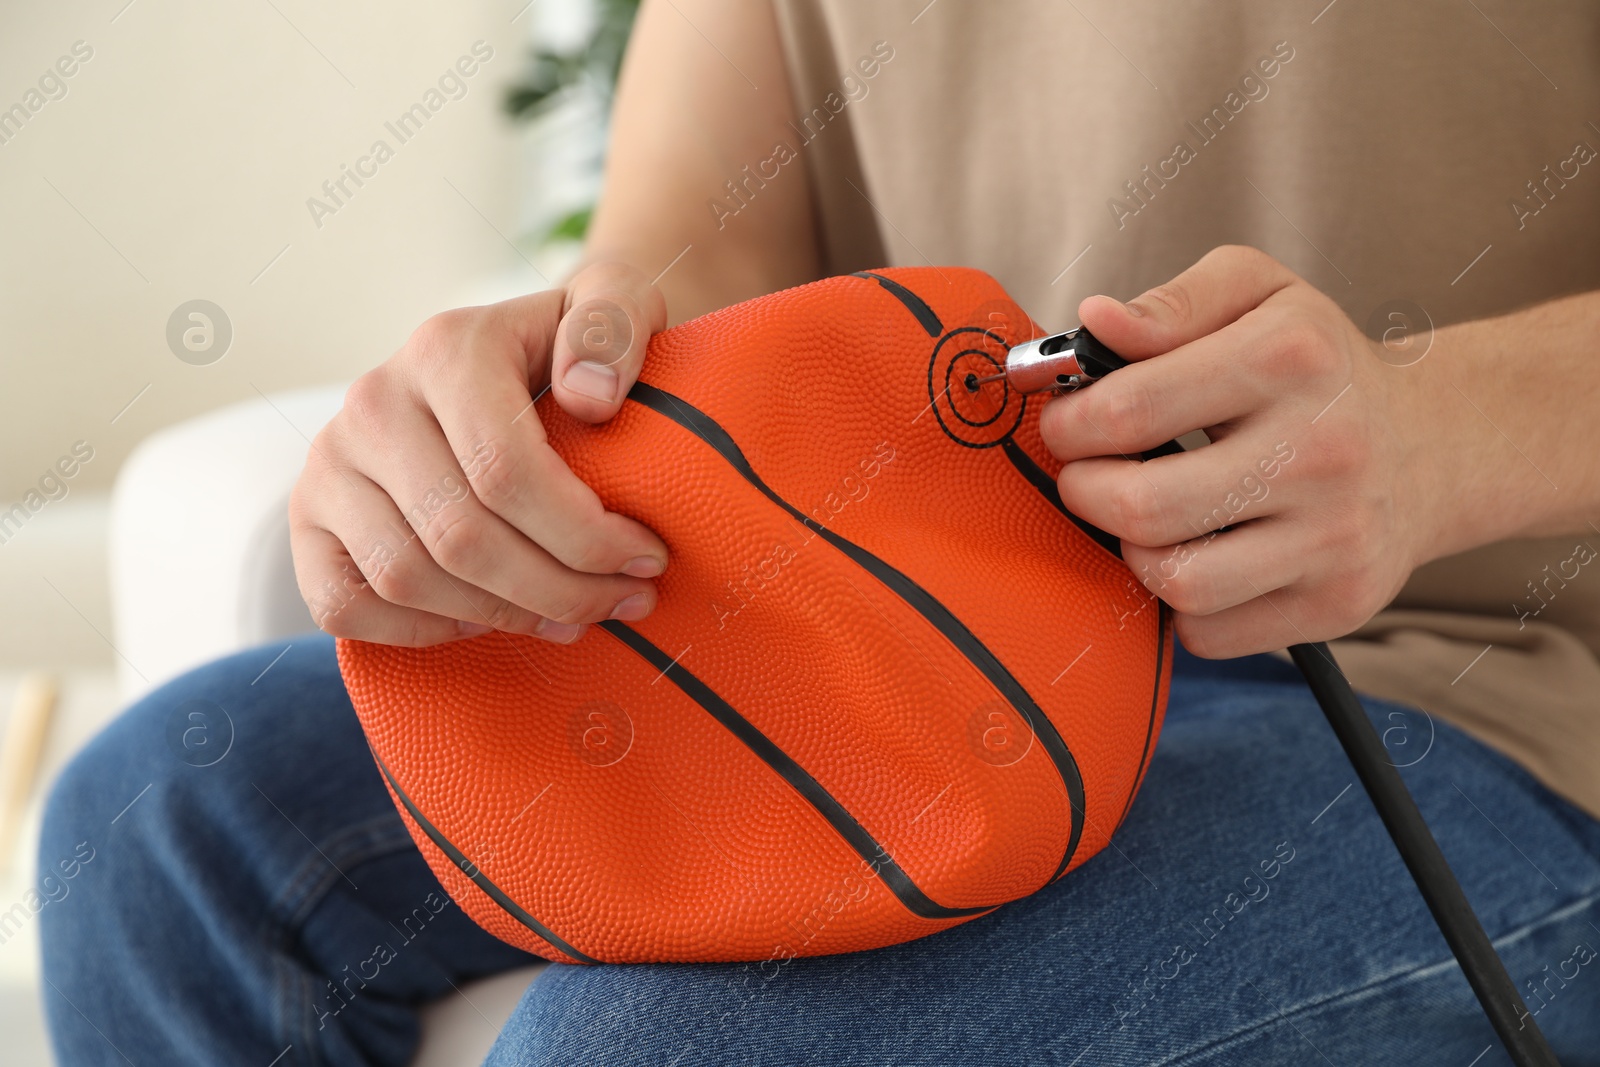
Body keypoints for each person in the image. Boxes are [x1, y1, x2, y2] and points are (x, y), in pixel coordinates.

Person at [40, 1, 1600, 1063]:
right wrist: (513, 411)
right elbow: (689, 252)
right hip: (879, 621)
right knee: (172, 826)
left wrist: (1430, 436)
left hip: (1469, 691)